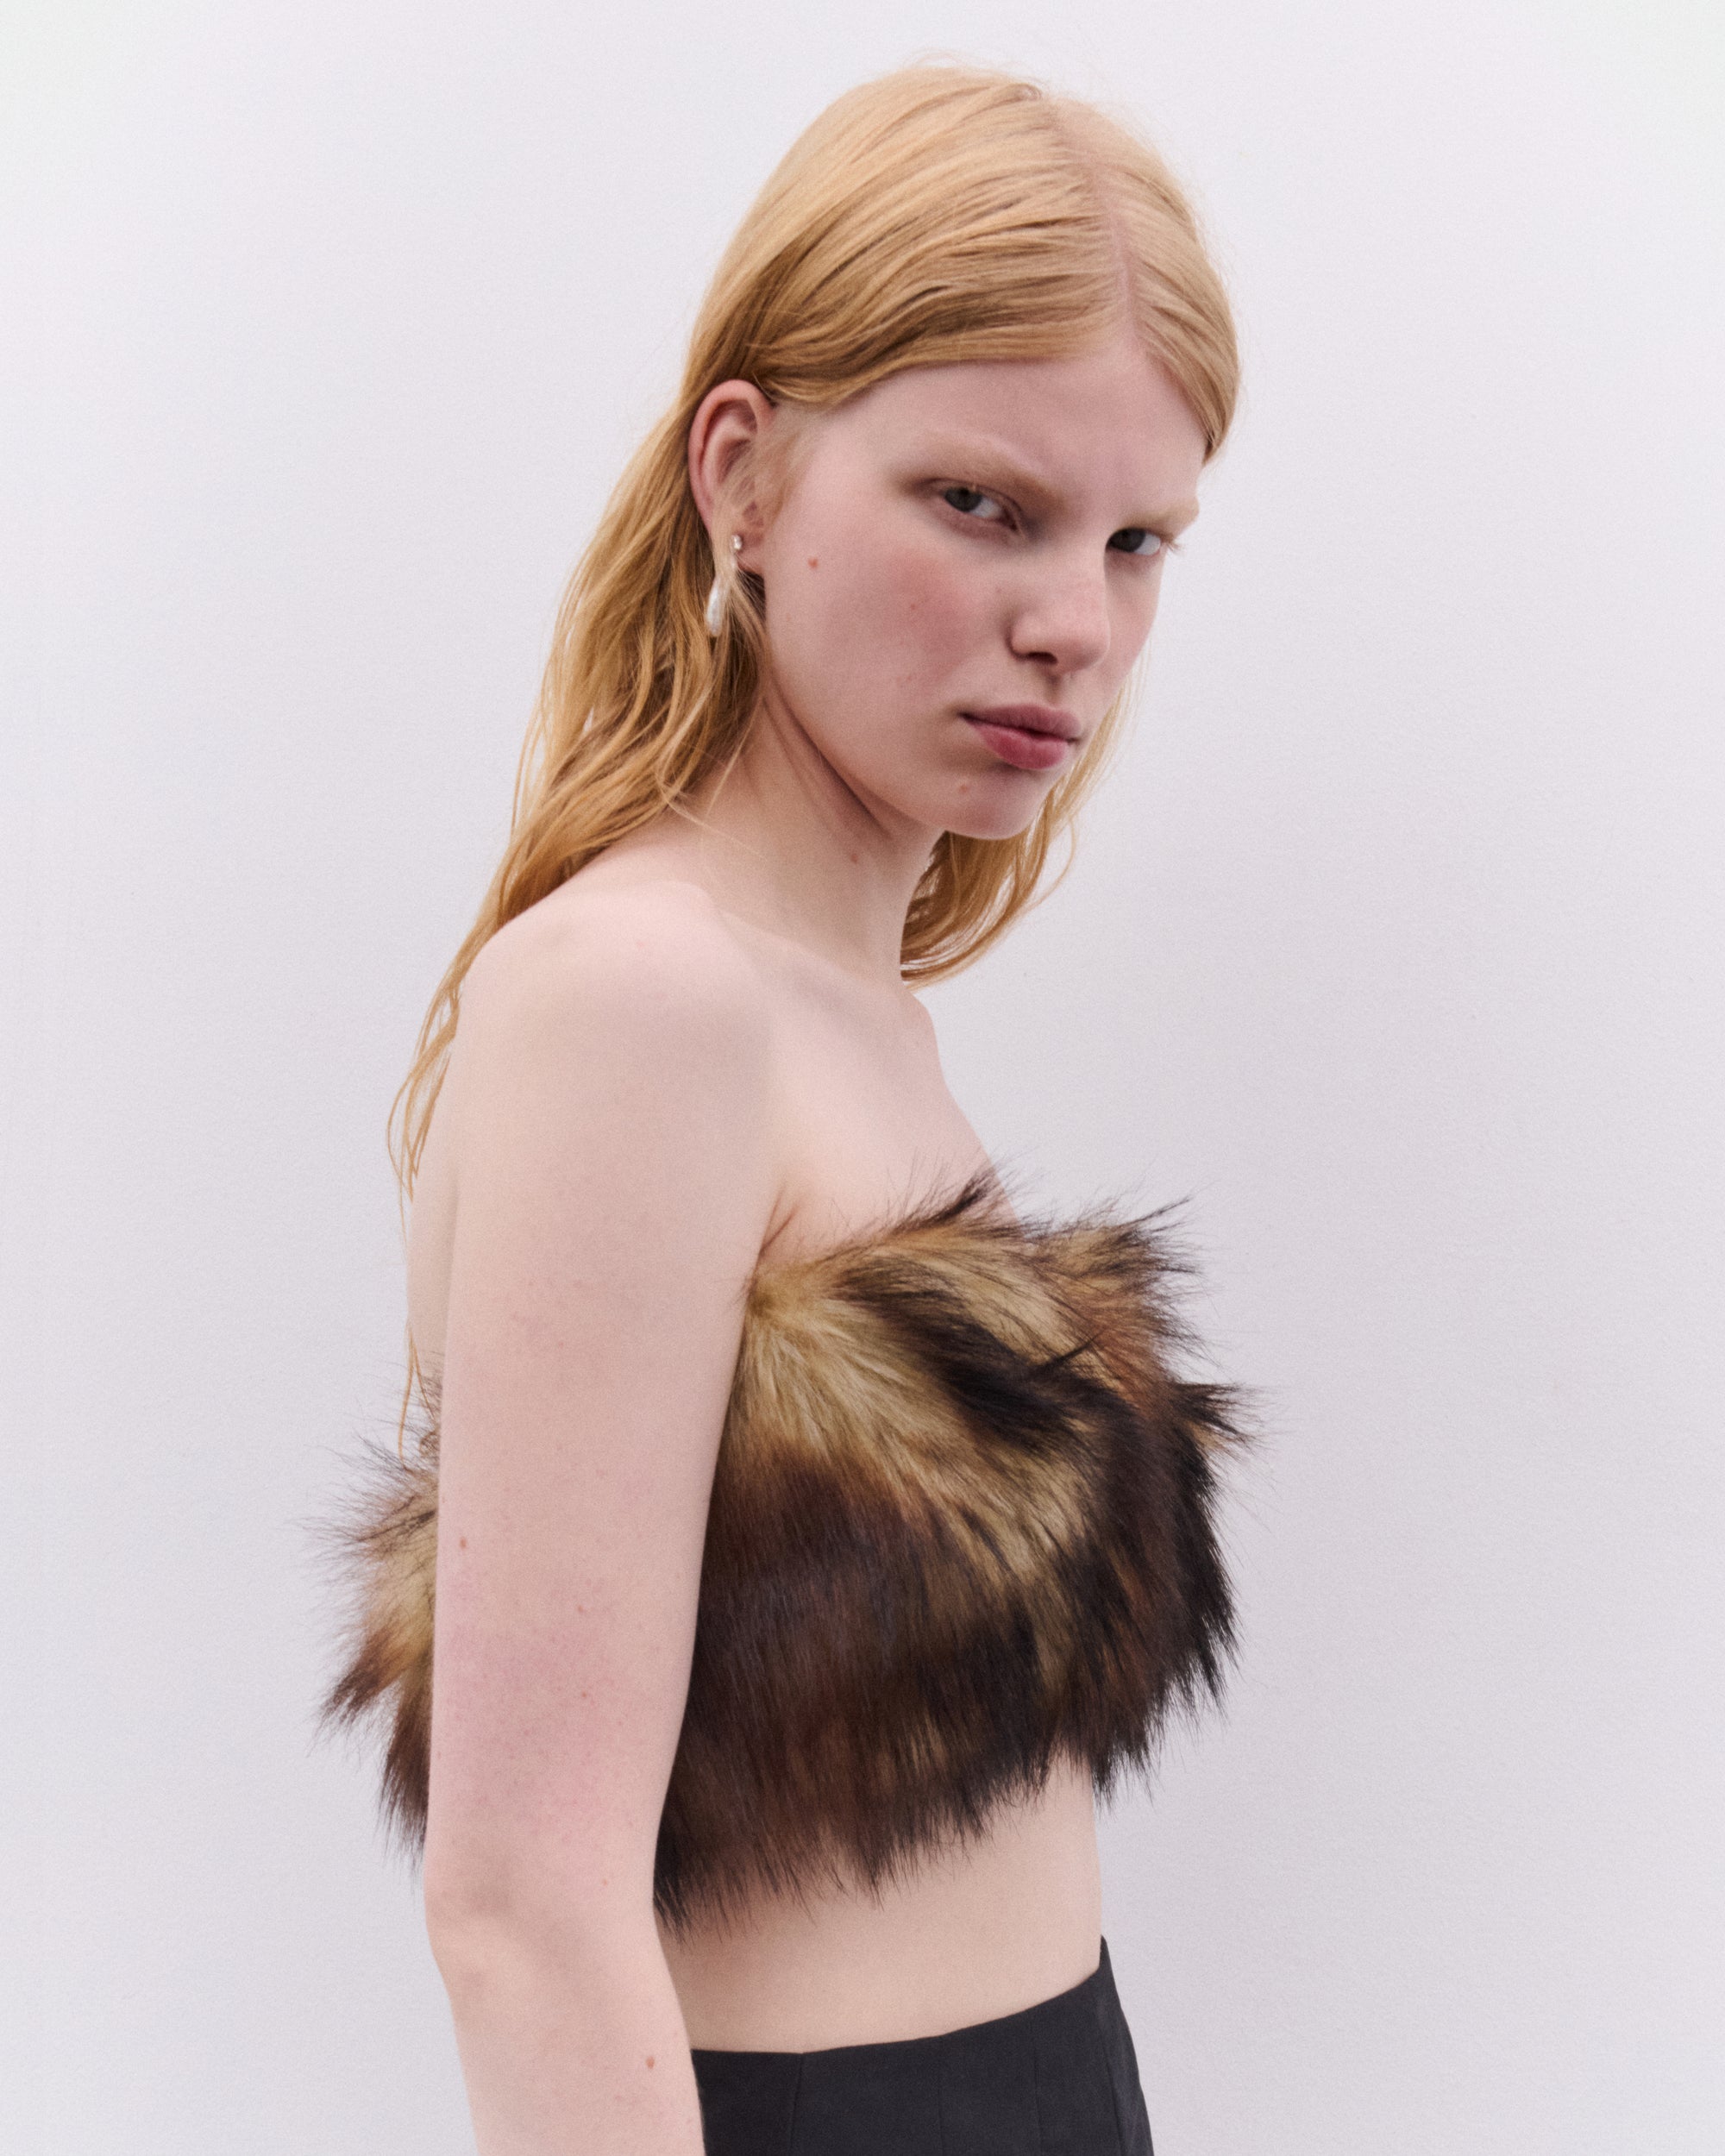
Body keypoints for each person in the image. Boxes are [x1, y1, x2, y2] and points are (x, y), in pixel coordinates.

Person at [324, 61, 1246, 2156]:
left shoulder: (847, 1002)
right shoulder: (642, 996)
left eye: (1136, 541)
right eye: (980, 503)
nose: (1073, 625)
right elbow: (521, 1907)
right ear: (740, 474)